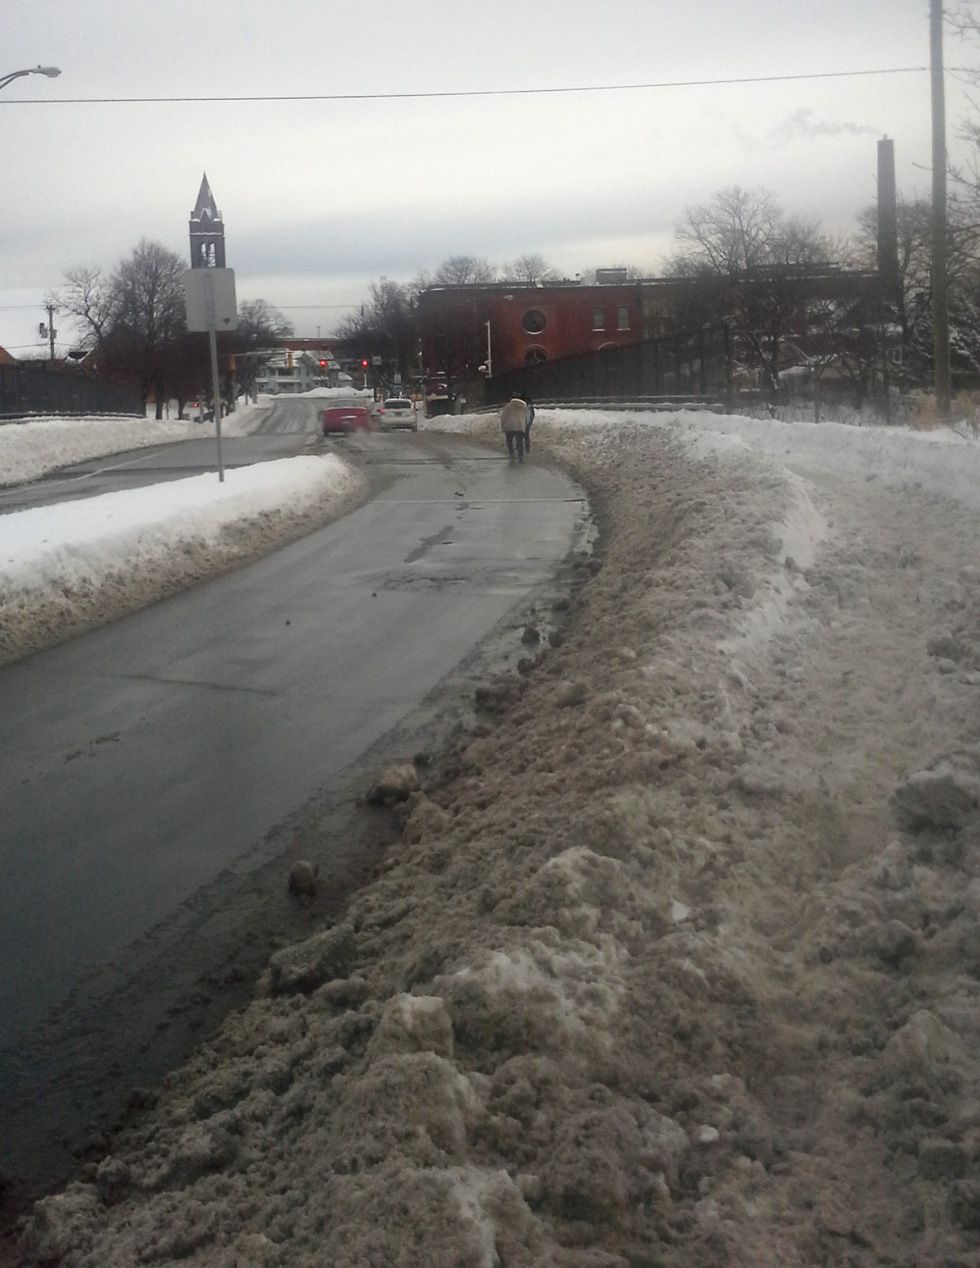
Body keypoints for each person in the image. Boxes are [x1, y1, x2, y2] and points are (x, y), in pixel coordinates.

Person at [500, 395, 528, 462]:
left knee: (509, 441)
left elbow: (504, 416)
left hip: (510, 426)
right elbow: (526, 416)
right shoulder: (523, 406)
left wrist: (503, 425)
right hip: (520, 426)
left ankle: (511, 453)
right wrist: (525, 424)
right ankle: (520, 455)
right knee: (520, 442)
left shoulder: (508, 406)